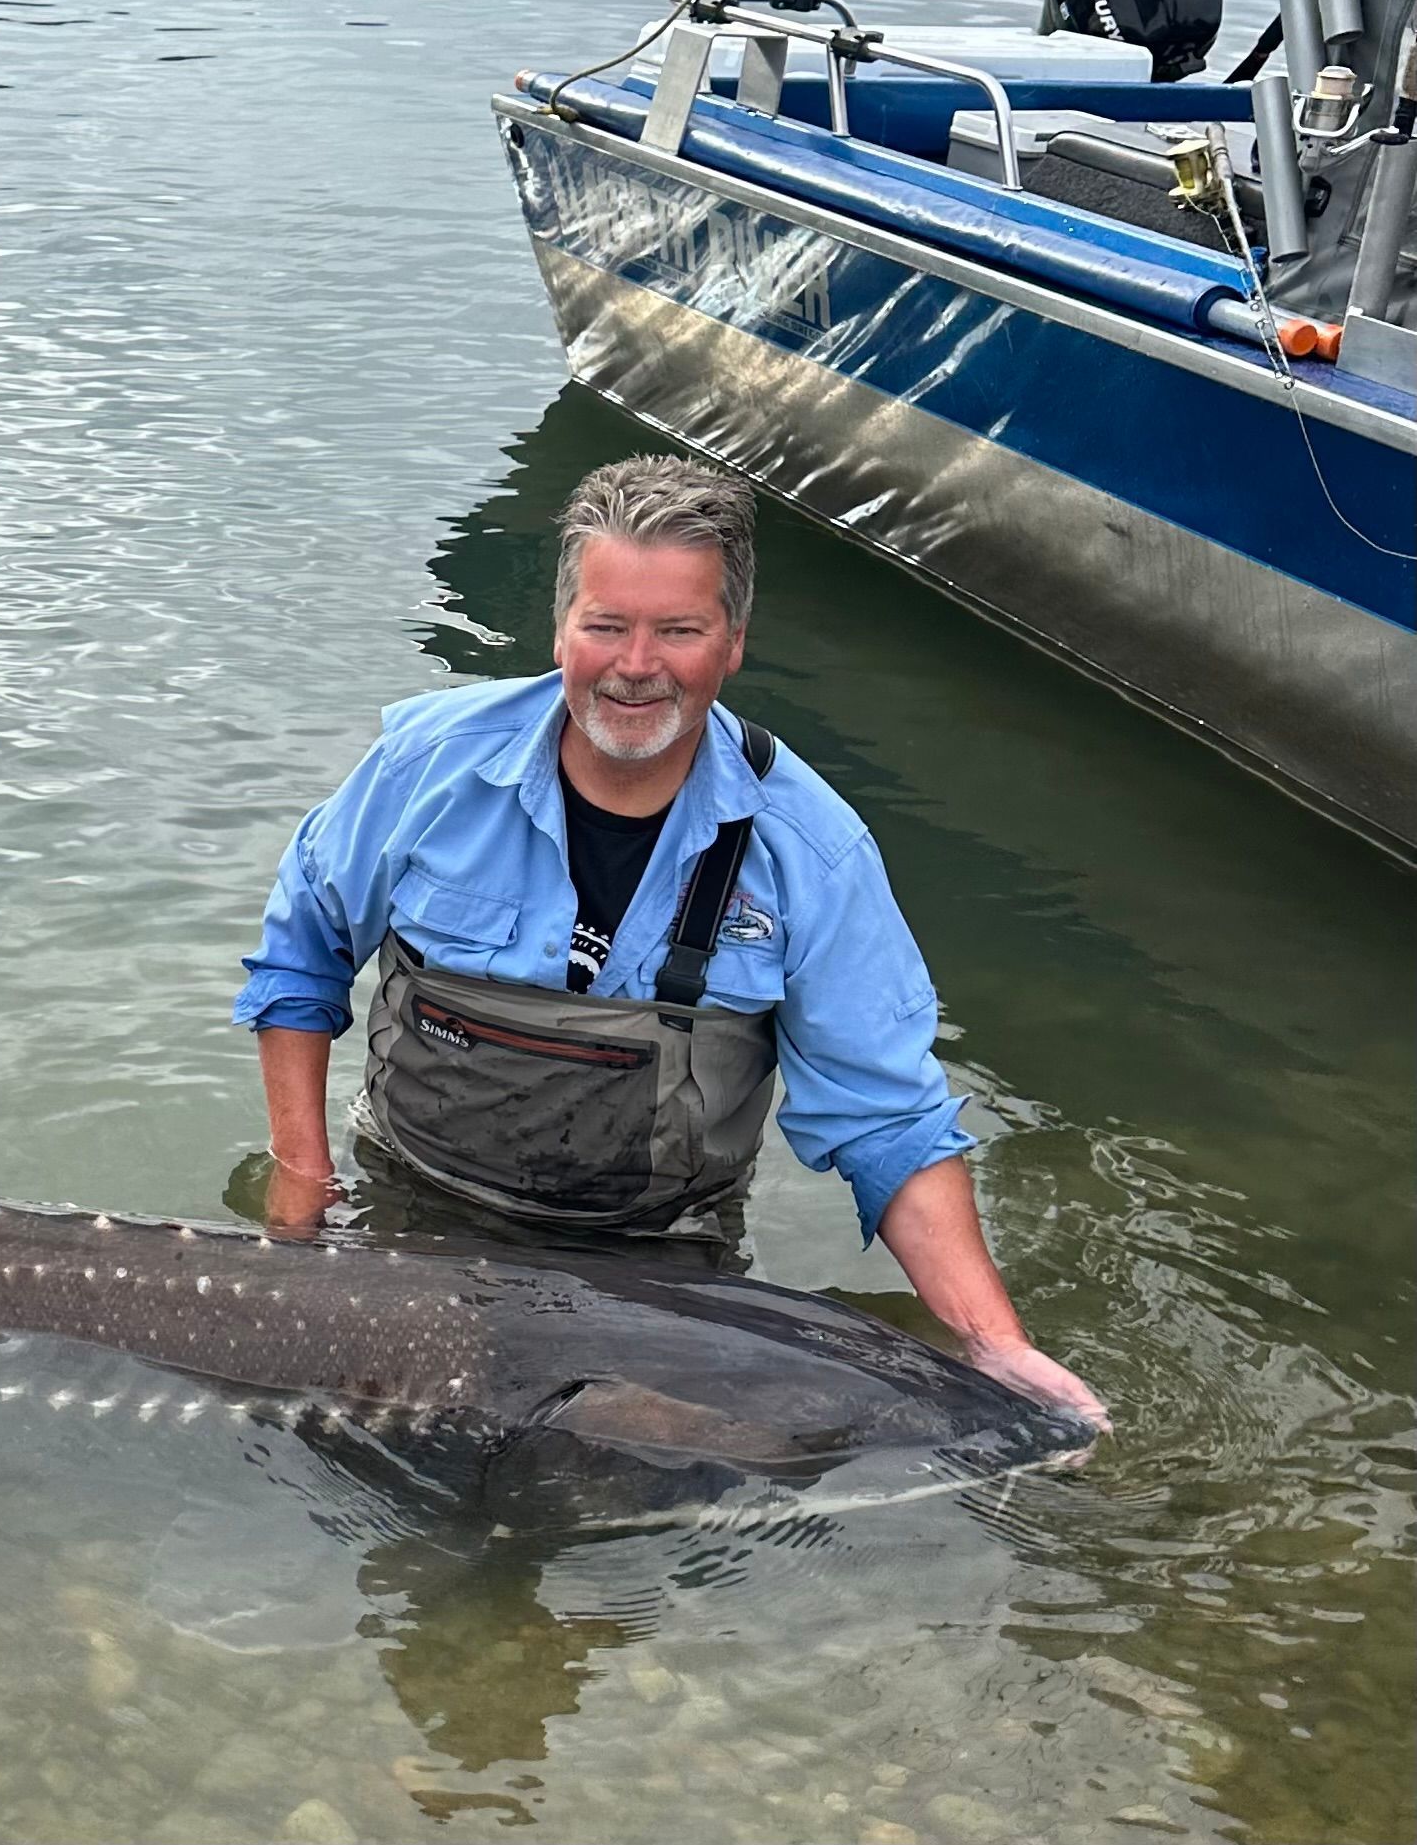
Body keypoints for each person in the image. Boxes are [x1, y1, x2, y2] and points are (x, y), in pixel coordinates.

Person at [233, 456, 1108, 1428]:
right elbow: (304, 948)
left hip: (657, 1268)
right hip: (416, 1214)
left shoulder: (810, 851)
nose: (635, 664)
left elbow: (888, 1126)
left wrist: (994, 1345)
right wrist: (303, 1186)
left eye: (678, 630)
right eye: (605, 624)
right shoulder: (426, 766)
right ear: (561, 627)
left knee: (622, 1536)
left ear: (733, 642)